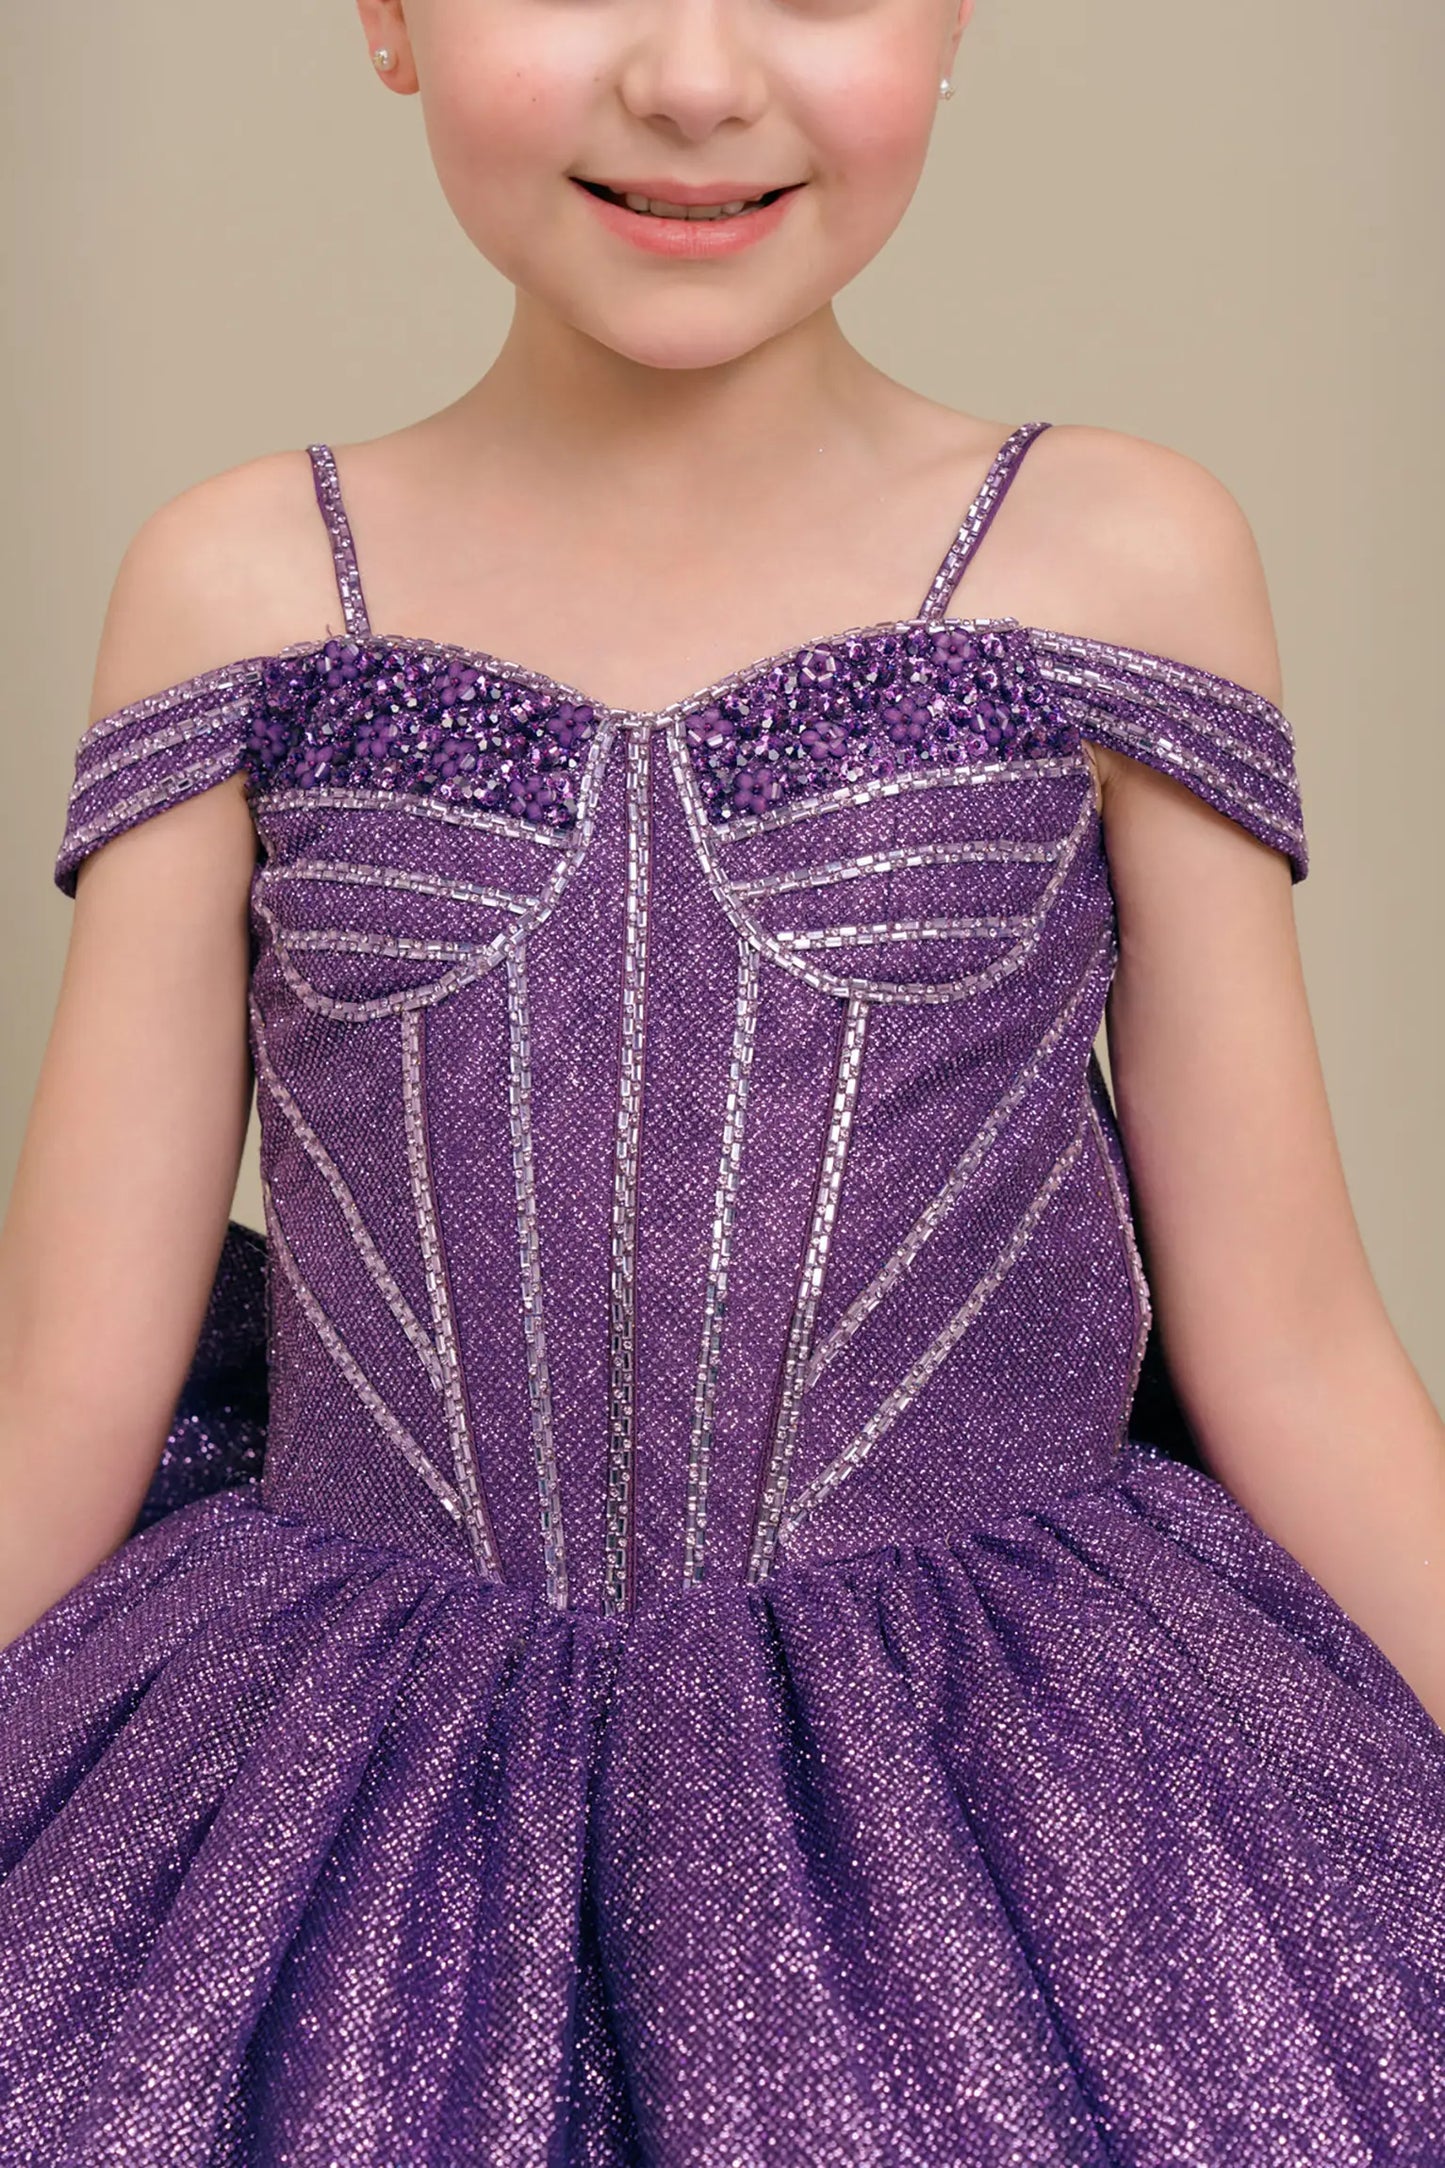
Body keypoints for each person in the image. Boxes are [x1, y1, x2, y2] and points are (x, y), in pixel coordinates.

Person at [2, 0, 1443, 2159]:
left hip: (1021, 1799)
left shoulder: (1121, 553)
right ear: (386, 19)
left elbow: (1297, 1344)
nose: (693, 81)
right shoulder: (239, 587)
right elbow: (63, 1389)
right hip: (355, 1791)